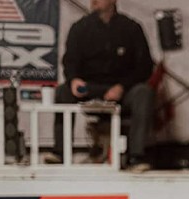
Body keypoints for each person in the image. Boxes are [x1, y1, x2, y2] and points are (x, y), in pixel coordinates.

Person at [47, 0, 154, 172]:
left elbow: (145, 67)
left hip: (120, 90)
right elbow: (69, 62)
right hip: (88, 89)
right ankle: (60, 152)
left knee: (144, 92)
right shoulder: (80, 28)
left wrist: (122, 86)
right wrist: (74, 79)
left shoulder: (131, 28)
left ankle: (136, 157)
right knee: (62, 92)